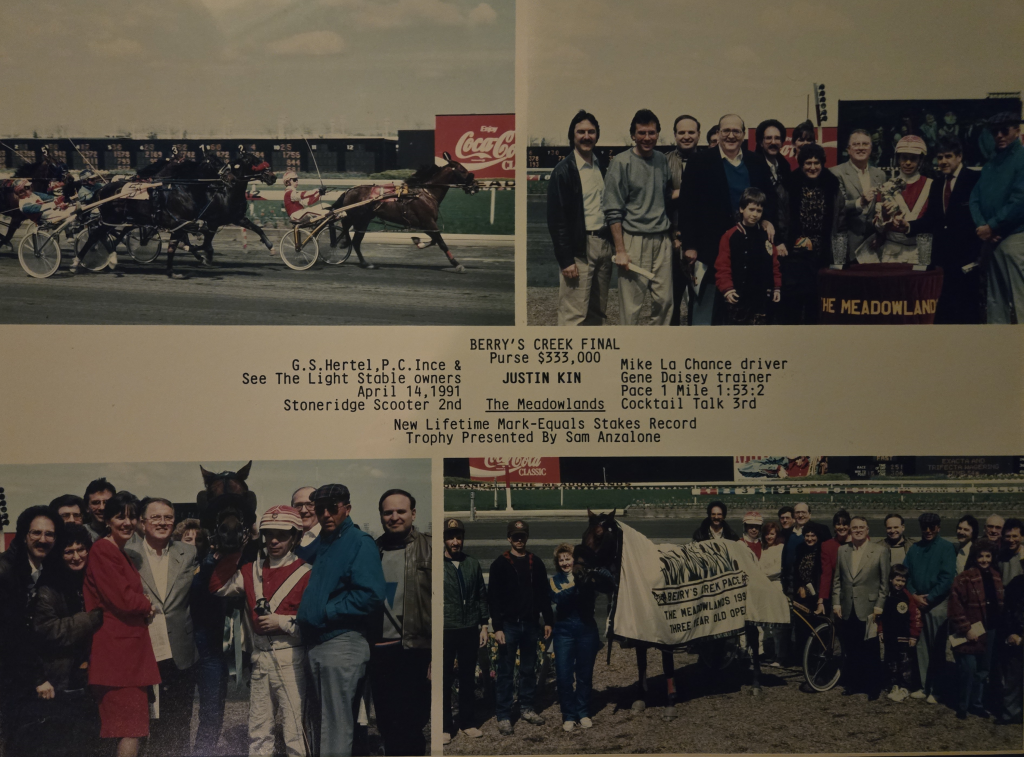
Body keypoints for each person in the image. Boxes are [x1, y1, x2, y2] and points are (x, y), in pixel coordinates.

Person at [210, 505, 312, 757]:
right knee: (258, 731)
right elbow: (217, 587)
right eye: (269, 534)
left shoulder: (307, 573)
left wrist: (283, 622)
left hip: (292, 658)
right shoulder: (250, 570)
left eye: (282, 534)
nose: (274, 540)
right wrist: (236, 550)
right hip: (260, 658)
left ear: (296, 537)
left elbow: (313, 623)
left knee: (295, 733)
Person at [296, 483, 385, 757]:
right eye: (319, 509)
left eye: (332, 508)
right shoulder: (322, 541)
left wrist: (324, 612)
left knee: (335, 724)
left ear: (347, 508)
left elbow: (371, 595)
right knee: (322, 721)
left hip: (342, 641)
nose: (325, 514)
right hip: (318, 643)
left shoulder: (359, 541)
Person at [679, 114, 778, 325]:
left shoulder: (756, 162)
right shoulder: (700, 161)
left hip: (748, 247)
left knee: (741, 307)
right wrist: (690, 245)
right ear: (718, 133)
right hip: (709, 246)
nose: (731, 135)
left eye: (736, 131)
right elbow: (687, 206)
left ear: (744, 134)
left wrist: (767, 220)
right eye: (726, 131)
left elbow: (769, 198)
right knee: (706, 310)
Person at [84, 491, 160, 757]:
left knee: (131, 728)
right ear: (107, 520)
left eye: (132, 517)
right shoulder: (104, 550)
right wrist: (146, 604)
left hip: (126, 656)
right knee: (130, 729)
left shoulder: (119, 551)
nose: (127, 523)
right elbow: (123, 600)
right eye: (120, 517)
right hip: (119, 658)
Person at [125, 497, 198, 756]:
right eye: (155, 517)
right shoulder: (127, 553)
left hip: (180, 649)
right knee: (142, 723)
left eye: (168, 517)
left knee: (179, 721)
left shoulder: (188, 552)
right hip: (142, 649)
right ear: (142, 523)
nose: (163, 522)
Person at [22, 524, 103, 757]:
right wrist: (92, 618)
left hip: (84, 678)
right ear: (59, 554)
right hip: (58, 680)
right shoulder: (47, 588)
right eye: (69, 551)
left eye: (81, 549)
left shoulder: (87, 581)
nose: (76, 556)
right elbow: (50, 631)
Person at [371, 489, 431, 757]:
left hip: (414, 650)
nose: (394, 517)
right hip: (380, 650)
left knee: (412, 723)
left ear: (413, 514)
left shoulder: (430, 547)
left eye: (401, 511)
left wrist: (435, 654)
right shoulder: (372, 550)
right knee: (386, 722)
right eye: (388, 512)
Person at [602, 109, 675, 325]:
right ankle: (629, 351)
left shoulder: (662, 160)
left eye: (651, 133)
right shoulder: (620, 162)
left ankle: (654, 351)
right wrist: (621, 250)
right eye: (641, 133)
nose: (647, 138)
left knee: (665, 302)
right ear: (633, 135)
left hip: (662, 240)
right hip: (633, 240)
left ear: (658, 134)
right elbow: (612, 210)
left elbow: (667, 195)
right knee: (631, 307)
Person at [901, 137, 984, 323]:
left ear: (959, 156)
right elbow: (932, 219)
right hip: (942, 260)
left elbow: (982, 217)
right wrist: (908, 226)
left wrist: (977, 255)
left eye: (948, 156)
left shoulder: (975, 179)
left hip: (967, 259)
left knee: (968, 313)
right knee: (944, 313)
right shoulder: (937, 184)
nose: (943, 161)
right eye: (940, 157)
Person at [0, 506, 63, 750]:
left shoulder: (42, 567)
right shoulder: (7, 570)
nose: (43, 539)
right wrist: (38, 678)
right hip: (10, 671)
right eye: (36, 533)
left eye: (49, 534)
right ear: (24, 534)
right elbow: (10, 632)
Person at [548, 110, 613, 326]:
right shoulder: (563, 171)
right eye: (581, 132)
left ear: (597, 135)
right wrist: (566, 260)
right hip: (579, 250)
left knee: (597, 314)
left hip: (604, 245)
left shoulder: (602, 165)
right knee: (574, 316)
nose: (587, 136)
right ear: (572, 135)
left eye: (591, 132)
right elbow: (557, 220)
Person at [488, 519, 552, 735]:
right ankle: (504, 714)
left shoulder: (536, 562)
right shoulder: (500, 564)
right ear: (509, 538)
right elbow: (493, 599)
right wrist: (497, 627)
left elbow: (544, 595)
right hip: (509, 626)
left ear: (527, 537)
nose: (519, 540)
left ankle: (526, 707)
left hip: (531, 625)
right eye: (515, 536)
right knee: (505, 672)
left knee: (527, 669)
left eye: (522, 536)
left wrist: (548, 620)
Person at [777, 143, 844, 323]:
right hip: (795, 256)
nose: (812, 167)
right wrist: (791, 242)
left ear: (822, 163)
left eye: (816, 163)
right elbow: (781, 218)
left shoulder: (832, 185)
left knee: (817, 304)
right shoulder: (788, 185)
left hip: (822, 255)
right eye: (808, 163)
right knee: (793, 305)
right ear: (800, 164)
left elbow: (840, 215)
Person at [969, 112, 1024, 323]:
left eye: (1005, 130)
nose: (999, 135)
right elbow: (974, 198)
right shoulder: (992, 163)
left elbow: (1020, 200)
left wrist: (992, 226)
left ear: (1017, 131)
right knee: (995, 301)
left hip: (1014, 238)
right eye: (995, 132)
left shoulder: (1022, 158)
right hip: (992, 240)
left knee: (1020, 299)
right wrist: (983, 226)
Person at [549, 543, 609, 732]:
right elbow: (560, 598)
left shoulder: (588, 576)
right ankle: (568, 715)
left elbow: (608, 584)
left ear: (574, 560)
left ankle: (583, 712)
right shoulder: (554, 580)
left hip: (587, 630)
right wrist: (577, 582)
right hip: (564, 631)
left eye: (568, 558)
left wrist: (596, 572)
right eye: (562, 559)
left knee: (584, 675)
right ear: (558, 563)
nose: (565, 562)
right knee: (564, 676)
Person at [180, 520, 225, 757]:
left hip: (211, 648)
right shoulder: (178, 569)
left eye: (199, 540)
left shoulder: (214, 564)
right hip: (184, 646)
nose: (194, 544)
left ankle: (203, 753)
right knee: (180, 711)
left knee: (212, 710)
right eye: (188, 539)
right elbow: (193, 587)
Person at [832, 516, 889, 697]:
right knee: (852, 648)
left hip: (870, 608)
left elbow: (884, 583)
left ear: (868, 530)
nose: (858, 530)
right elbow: (837, 580)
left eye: (861, 527)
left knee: (870, 648)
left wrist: (880, 605)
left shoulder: (880, 551)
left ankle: (873, 686)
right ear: (850, 530)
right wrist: (836, 602)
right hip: (848, 606)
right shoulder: (843, 551)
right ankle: (854, 683)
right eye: (854, 527)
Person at [442, 518, 487, 745]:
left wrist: (484, 625)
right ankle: (445, 726)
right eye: (451, 537)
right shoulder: (437, 565)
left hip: (469, 628)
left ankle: (467, 722)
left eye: (458, 537)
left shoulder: (472, 563)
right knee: (444, 678)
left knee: (468, 678)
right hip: (446, 630)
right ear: (444, 539)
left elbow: (481, 595)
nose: (455, 541)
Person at [904, 512, 957, 703]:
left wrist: (931, 597)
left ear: (938, 527)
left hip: (938, 603)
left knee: (936, 648)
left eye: (932, 527)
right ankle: (923, 686)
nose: (928, 531)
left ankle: (937, 689)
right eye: (924, 527)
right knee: (921, 647)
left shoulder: (946, 547)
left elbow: (947, 578)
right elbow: (906, 575)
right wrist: (914, 596)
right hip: (918, 601)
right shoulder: (914, 548)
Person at [948, 539, 1003, 720]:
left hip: (991, 629)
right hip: (971, 630)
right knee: (968, 669)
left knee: (983, 670)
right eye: (981, 556)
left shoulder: (996, 576)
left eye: (988, 556)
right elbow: (955, 606)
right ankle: (962, 704)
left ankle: (977, 703)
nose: (984, 560)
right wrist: (966, 628)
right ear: (975, 557)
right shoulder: (964, 577)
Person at [859, 135, 933, 264]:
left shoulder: (932, 186)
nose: (908, 163)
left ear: (921, 160)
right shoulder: (885, 188)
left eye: (913, 158)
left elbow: (933, 221)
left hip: (920, 252)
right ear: (898, 159)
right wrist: (884, 216)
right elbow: (879, 228)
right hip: (892, 253)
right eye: (904, 158)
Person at [714, 187, 781, 325]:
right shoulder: (730, 236)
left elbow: (774, 265)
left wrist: (776, 287)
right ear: (741, 209)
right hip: (738, 297)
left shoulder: (766, 236)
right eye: (751, 209)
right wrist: (727, 288)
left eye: (759, 211)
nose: (755, 214)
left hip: (761, 298)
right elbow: (722, 266)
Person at [831, 129, 886, 259]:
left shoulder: (880, 175)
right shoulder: (835, 173)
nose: (861, 148)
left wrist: (881, 235)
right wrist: (860, 203)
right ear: (848, 149)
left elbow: (881, 210)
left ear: (871, 149)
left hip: (874, 246)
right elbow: (836, 208)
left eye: (865, 144)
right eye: (856, 144)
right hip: (847, 245)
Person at [668, 114, 702, 325]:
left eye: (691, 132)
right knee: (670, 299)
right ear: (675, 134)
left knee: (698, 300)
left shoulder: (709, 160)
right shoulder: (663, 161)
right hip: (670, 239)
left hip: (699, 241)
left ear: (698, 134)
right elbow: (658, 198)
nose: (687, 136)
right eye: (682, 132)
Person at [878, 563, 921, 703]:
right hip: (890, 637)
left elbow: (915, 617)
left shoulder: (907, 597)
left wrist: (914, 635)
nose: (899, 583)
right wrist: (881, 631)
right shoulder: (886, 595)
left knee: (905, 664)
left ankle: (904, 687)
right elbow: (881, 616)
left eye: (903, 581)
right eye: (897, 580)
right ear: (891, 579)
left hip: (904, 638)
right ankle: (893, 685)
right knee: (891, 662)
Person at [994, 573, 1023, 725]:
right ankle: (1010, 713)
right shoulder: (1017, 583)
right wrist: (1011, 633)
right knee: (1013, 676)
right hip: (1015, 636)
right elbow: (1007, 610)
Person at [817, 510, 852, 615]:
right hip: (837, 594)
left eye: (845, 524)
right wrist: (821, 600)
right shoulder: (828, 546)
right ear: (834, 526)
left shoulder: (859, 542)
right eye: (838, 524)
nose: (841, 527)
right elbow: (826, 575)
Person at [291, 485, 320, 563]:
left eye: (310, 505)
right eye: (298, 505)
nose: (303, 510)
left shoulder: (330, 538)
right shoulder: (287, 538)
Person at [83, 478, 116, 543]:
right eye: (96, 503)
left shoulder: (125, 532)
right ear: (87, 507)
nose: (102, 507)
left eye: (107, 502)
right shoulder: (80, 533)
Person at [998, 518, 1023, 586]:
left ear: (1022, 537)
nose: (1011, 540)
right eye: (1008, 536)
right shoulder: (999, 555)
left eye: (1015, 536)